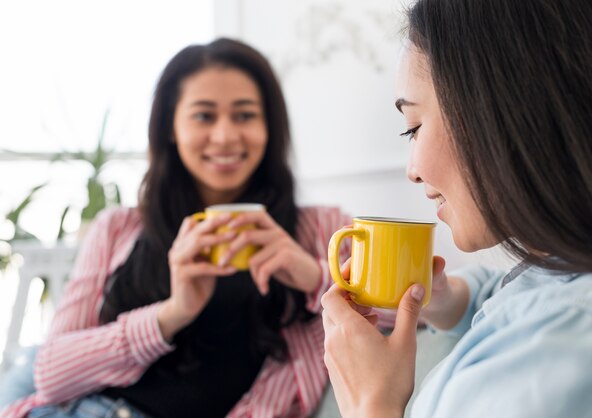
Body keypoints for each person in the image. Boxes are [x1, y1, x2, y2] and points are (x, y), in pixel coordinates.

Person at [2, 37, 351, 418]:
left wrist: (313, 275)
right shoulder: (118, 228)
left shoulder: (323, 229)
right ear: (171, 127)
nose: (225, 136)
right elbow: (51, 373)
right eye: (203, 116)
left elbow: (401, 312)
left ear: (269, 126)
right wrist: (172, 313)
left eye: (245, 115)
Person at [321, 1, 592, 417]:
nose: (412, 171)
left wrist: (372, 403)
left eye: (414, 127)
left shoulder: (571, 338)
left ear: (504, 113)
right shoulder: (570, 278)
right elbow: (512, 291)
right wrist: (445, 300)